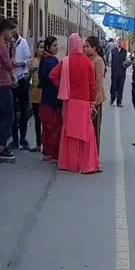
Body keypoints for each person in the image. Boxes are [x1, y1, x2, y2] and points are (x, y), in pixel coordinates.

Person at [49, 33, 100, 173]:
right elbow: (92, 85)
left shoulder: (65, 61)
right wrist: (92, 102)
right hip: (84, 103)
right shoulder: (88, 62)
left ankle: (69, 163)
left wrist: (62, 86)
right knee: (86, 133)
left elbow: (52, 75)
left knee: (69, 132)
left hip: (70, 102)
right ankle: (86, 165)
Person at [0, 19, 17, 160]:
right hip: (4, 84)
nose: (12, 36)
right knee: (8, 115)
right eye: (11, 32)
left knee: (1, 115)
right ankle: (1, 146)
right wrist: (13, 51)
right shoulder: (1, 46)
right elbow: (10, 65)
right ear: (5, 31)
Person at [39, 36, 62, 163]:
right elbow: (55, 81)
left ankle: (47, 152)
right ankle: (53, 155)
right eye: (54, 45)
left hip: (45, 100)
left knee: (47, 129)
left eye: (57, 45)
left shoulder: (44, 60)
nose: (57, 47)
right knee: (54, 129)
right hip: (52, 100)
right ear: (48, 47)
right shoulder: (52, 61)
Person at [10, 24, 32, 150]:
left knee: (23, 111)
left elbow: (27, 61)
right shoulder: (7, 44)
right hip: (11, 81)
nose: (12, 33)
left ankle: (23, 139)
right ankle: (14, 139)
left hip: (22, 80)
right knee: (12, 112)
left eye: (14, 30)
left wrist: (19, 64)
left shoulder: (23, 43)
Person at [85, 35, 106, 154]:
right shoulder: (88, 59)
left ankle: (95, 154)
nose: (85, 49)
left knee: (95, 128)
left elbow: (98, 82)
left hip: (95, 100)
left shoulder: (98, 60)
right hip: (88, 99)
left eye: (88, 47)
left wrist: (94, 101)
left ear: (94, 48)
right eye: (84, 47)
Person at [29, 40, 45, 153]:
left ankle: (46, 144)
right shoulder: (32, 62)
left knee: (45, 121)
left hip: (45, 94)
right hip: (35, 94)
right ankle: (38, 144)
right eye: (40, 47)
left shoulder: (48, 61)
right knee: (37, 120)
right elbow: (28, 76)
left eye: (44, 47)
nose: (42, 49)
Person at [109, 37, 128, 107]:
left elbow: (127, 62)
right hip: (114, 73)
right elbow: (110, 61)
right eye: (118, 41)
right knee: (113, 87)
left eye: (120, 41)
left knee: (120, 88)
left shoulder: (125, 52)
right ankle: (112, 99)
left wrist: (124, 66)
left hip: (122, 74)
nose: (119, 42)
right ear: (116, 42)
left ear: (122, 43)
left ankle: (119, 102)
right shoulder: (113, 51)